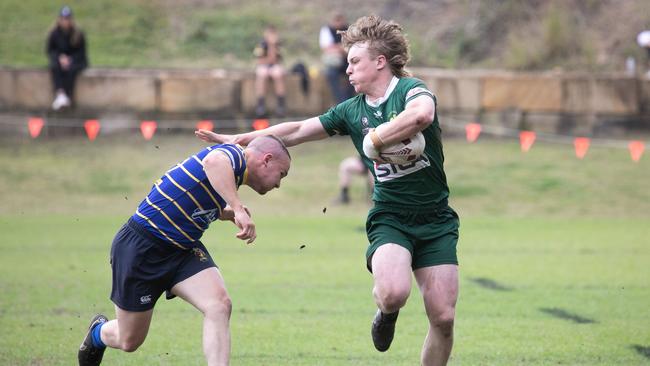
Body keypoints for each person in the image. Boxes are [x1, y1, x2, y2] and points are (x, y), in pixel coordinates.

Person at [196, 15, 460, 366]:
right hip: (392, 217)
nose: (346, 69)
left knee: (443, 318)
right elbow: (298, 130)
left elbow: (422, 116)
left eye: (354, 62)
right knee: (394, 293)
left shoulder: (411, 91)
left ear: (380, 62)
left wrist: (376, 140)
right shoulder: (351, 111)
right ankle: (386, 312)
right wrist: (241, 139)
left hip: (436, 218)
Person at [77, 136, 291, 366]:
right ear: (267, 160)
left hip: (182, 249)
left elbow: (198, 194)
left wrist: (226, 212)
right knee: (129, 340)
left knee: (219, 305)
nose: (279, 184)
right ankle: (98, 333)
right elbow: (213, 162)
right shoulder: (234, 155)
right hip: (143, 248)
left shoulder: (233, 177)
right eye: (282, 174)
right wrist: (237, 208)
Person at [46, 5, 88, 111]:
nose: (66, 21)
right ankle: (60, 94)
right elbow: (50, 50)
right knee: (55, 66)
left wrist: (70, 59)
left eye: (68, 19)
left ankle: (68, 95)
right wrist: (60, 58)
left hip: (76, 61)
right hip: (59, 61)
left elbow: (81, 52)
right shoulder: (54, 33)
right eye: (64, 19)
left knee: (72, 69)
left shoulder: (78, 34)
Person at [320, 12, 355, 104]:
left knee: (354, 74)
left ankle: (348, 99)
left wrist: (336, 48)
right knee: (331, 75)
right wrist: (341, 48)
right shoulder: (326, 30)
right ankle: (342, 101)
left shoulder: (348, 29)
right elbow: (326, 48)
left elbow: (351, 46)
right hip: (334, 62)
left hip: (348, 61)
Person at [253, 25, 286, 118]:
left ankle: (281, 105)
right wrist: (268, 60)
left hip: (274, 66)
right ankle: (261, 105)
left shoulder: (278, 45)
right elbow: (259, 61)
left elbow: (275, 60)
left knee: (277, 74)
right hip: (263, 66)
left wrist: (272, 46)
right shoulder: (261, 45)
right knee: (262, 74)